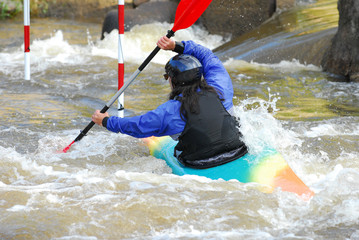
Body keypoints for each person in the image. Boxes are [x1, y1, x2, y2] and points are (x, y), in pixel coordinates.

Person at [92, 36, 248, 169]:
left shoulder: (171, 111)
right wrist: (176, 46)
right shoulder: (220, 86)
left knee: (169, 130)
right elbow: (207, 55)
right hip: (237, 150)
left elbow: (137, 126)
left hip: (199, 162)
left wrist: (106, 121)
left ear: (172, 80)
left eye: (167, 77)